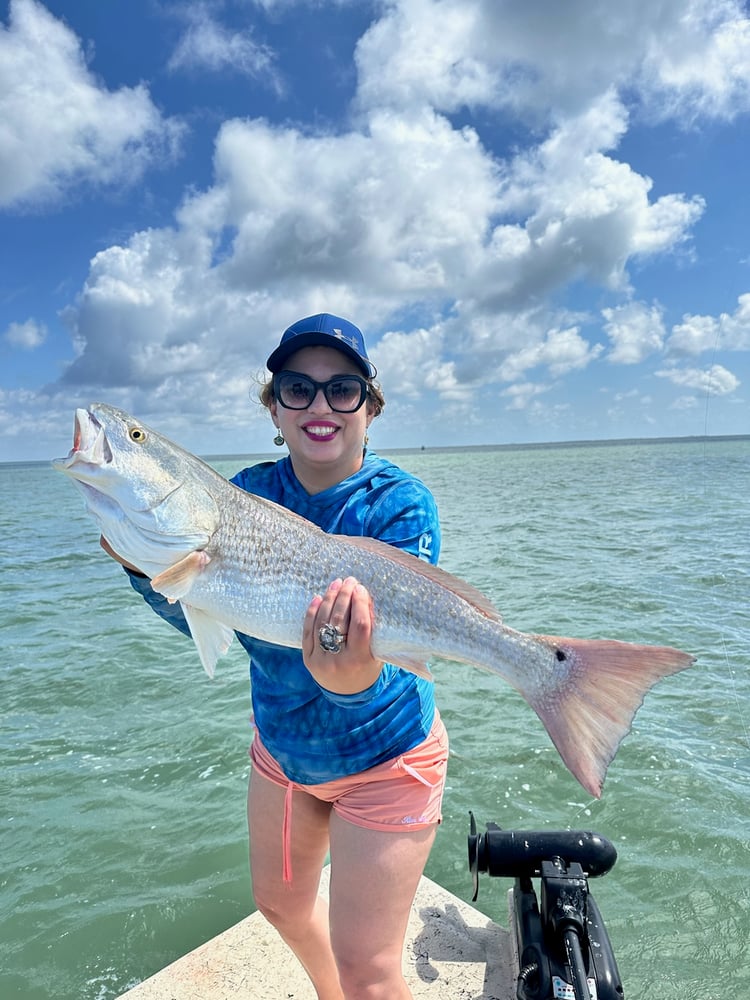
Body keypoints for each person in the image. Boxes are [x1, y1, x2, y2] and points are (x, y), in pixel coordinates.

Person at [101, 313, 448, 999]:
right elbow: (219, 620)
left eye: (342, 389)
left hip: (386, 757)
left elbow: (378, 664)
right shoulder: (245, 495)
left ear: (369, 408)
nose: (319, 405)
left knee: (372, 972)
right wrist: (147, 573)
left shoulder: (402, 503)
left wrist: (346, 676)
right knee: (283, 906)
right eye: (297, 388)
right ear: (274, 406)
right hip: (283, 754)